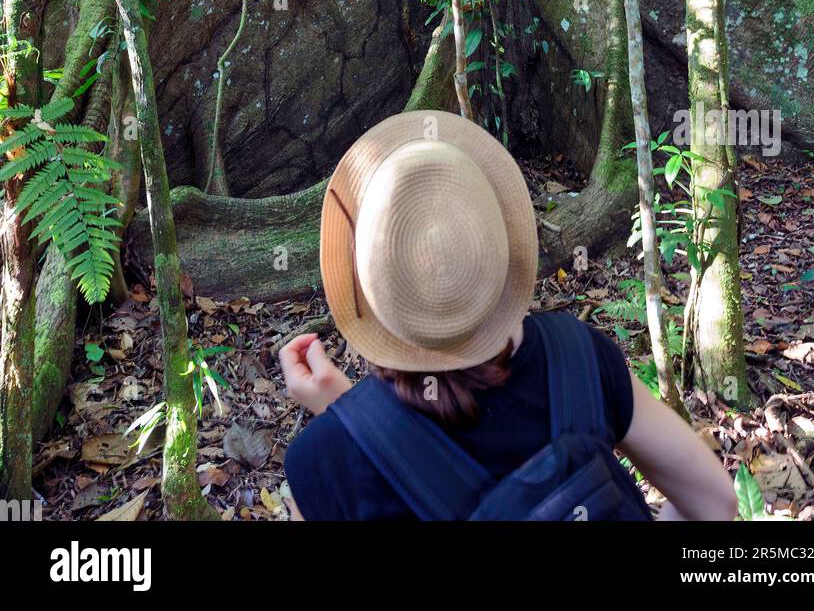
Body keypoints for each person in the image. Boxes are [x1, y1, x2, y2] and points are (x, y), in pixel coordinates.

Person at [279, 110, 737, 522]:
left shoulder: (325, 460)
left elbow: (403, 449)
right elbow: (716, 503)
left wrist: (351, 419)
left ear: (364, 283)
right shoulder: (577, 358)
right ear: (502, 247)